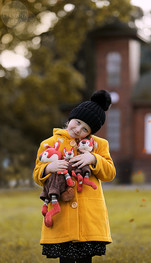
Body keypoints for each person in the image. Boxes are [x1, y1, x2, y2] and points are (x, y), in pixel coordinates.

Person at [33, 90, 116, 263]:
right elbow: (36, 174)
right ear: (71, 118)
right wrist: (49, 168)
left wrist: (94, 158)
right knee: (66, 258)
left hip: (88, 216)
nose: (78, 130)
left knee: (86, 258)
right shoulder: (48, 144)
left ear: (91, 132)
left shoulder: (99, 145)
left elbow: (110, 173)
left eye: (85, 128)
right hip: (62, 212)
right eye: (77, 123)